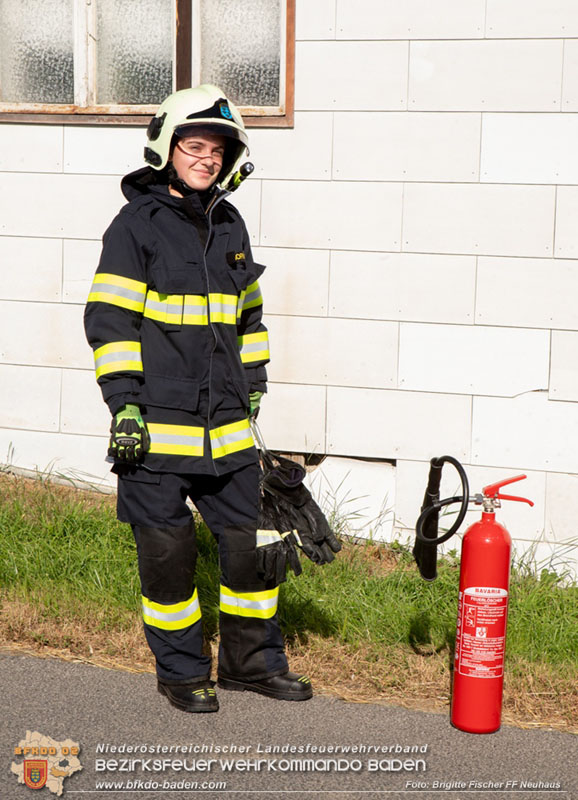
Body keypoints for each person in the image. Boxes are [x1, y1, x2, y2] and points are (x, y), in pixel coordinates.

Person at [84, 84, 312, 712]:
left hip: (230, 429)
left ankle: (251, 663)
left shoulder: (230, 222)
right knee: (168, 557)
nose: (206, 157)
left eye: (217, 148)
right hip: (155, 430)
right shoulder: (136, 226)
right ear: (168, 146)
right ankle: (182, 671)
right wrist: (124, 406)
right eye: (195, 144)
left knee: (253, 548)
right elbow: (110, 320)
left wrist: (256, 385)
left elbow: (250, 319)